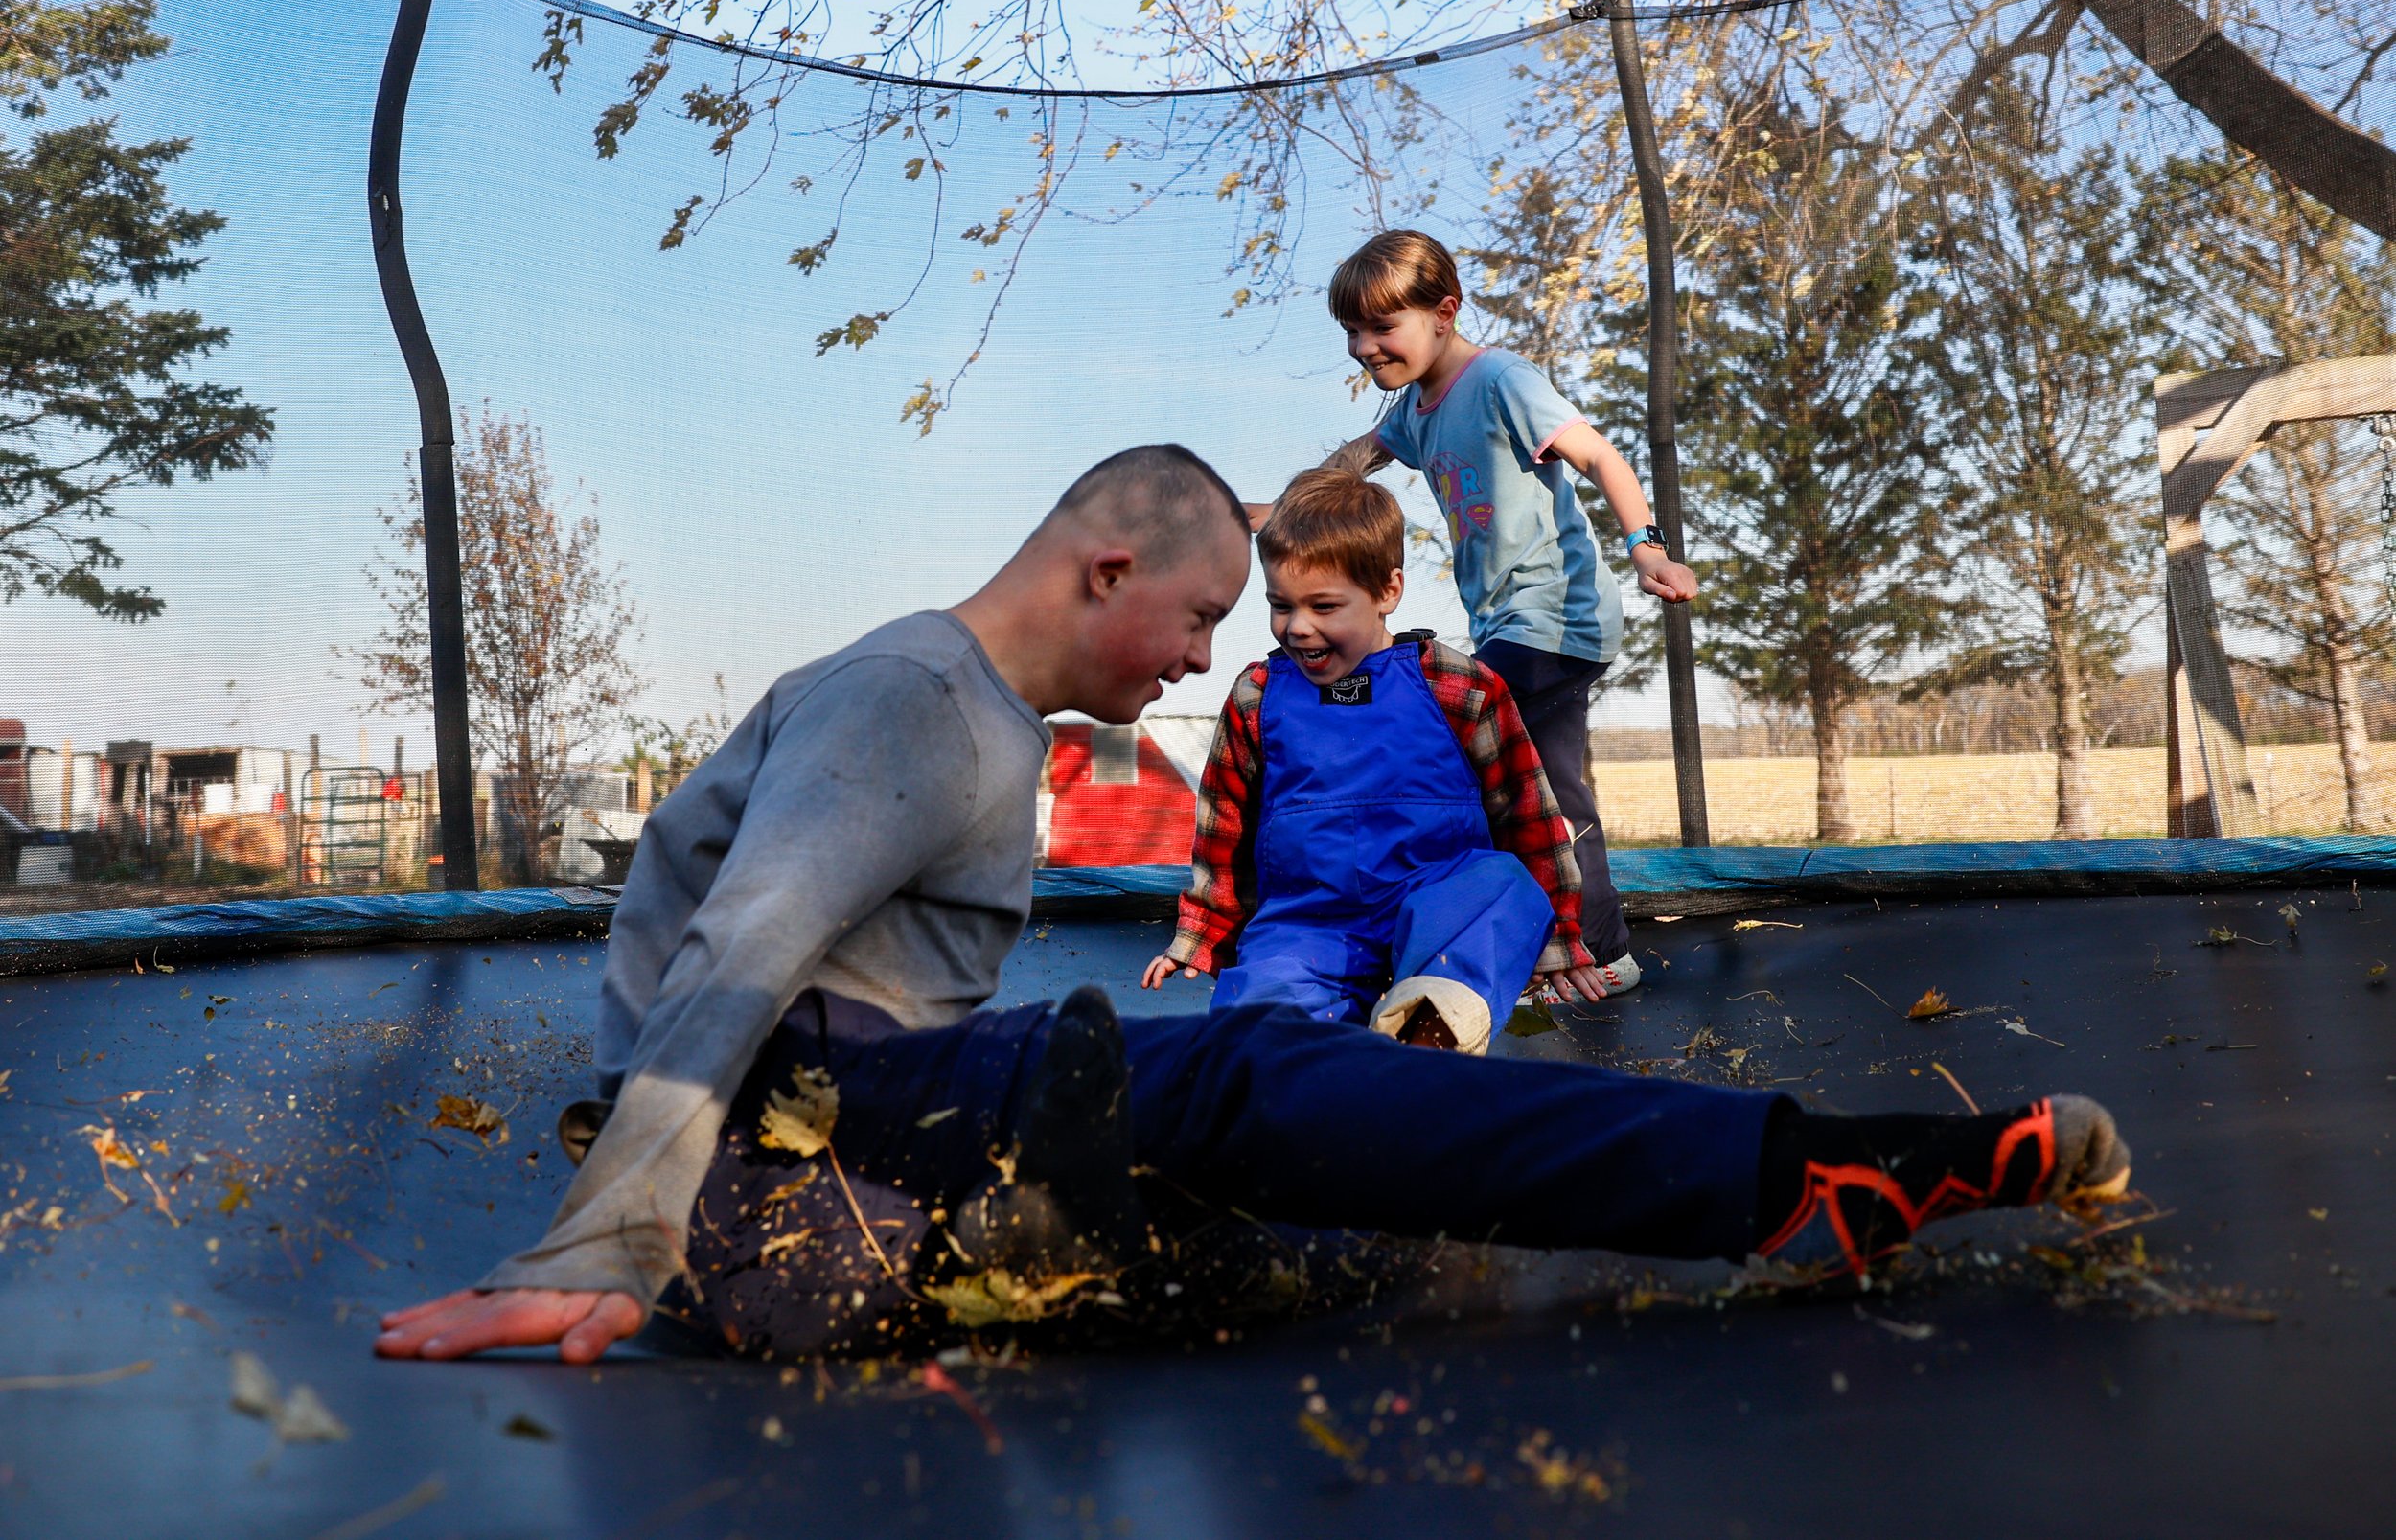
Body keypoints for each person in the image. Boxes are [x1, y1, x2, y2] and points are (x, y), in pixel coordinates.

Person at [375, 444, 2131, 1367]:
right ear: (1107, 569)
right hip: (795, 1114)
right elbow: (738, 951)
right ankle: (1803, 1174)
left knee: (1251, 1193)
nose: (1219, 655)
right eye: (1202, 615)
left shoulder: (965, 709)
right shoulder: (916, 698)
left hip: (892, 1102)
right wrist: (614, 1228)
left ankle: (1006, 1240)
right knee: (1236, 1083)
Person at [1323, 229, 1691, 998]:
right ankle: (1547, 937)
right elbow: (1349, 461)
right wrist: (1269, 511)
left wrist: (1648, 549)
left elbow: (1601, 457)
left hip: (1554, 619)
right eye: (1352, 331)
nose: (1363, 346)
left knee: (1518, 776)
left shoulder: (1501, 381)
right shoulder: (1417, 412)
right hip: (1505, 627)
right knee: (1520, 781)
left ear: (1444, 313)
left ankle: (1599, 949)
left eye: (1381, 327)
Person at [1139, 458, 1604, 1055]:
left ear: (1388, 591)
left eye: (1324, 607)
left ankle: (1428, 1031)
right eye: (1281, 605)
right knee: (1258, 1028)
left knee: (1501, 885)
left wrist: (1560, 936)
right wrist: (1201, 933)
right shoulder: (1258, 694)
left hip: (1435, 907)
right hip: (1308, 924)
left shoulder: (1458, 685)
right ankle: (1290, 1073)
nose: (1298, 627)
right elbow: (1223, 826)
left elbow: (1528, 813)